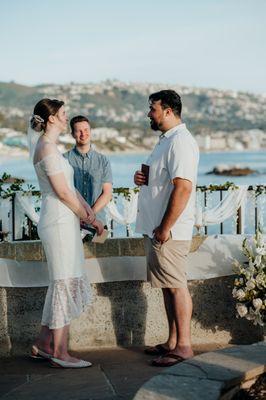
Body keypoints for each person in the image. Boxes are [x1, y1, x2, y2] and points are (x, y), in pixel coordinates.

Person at [30, 98, 103, 368]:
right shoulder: (46, 148)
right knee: (64, 281)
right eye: (63, 114)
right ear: (51, 119)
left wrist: (89, 213)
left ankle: (44, 344)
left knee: (62, 281)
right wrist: (85, 216)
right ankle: (60, 352)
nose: (66, 117)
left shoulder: (53, 148)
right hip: (58, 221)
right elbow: (61, 192)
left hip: (66, 219)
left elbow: (70, 189)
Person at [134, 90, 199, 367]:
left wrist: (164, 227)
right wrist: (144, 179)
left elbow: (183, 188)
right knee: (167, 286)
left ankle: (184, 346)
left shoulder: (181, 142)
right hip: (158, 229)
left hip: (168, 231)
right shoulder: (166, 141)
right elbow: (165, 181)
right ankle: (172, 341)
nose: (149, 113)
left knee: (176, 286)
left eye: (153, 108)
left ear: (169, 111)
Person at [64, 116, 112, 229]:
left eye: (86, 130)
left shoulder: (103, 160)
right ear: (72, 134)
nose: (83, 134)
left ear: (90, 131)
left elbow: (107, 193)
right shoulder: (64, 160)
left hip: (99, 222)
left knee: (100, 247)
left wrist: (90, 214)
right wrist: (83, 215)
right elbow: (64, 191)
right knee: (72, 247)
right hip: (72, 222)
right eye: (79, 131)